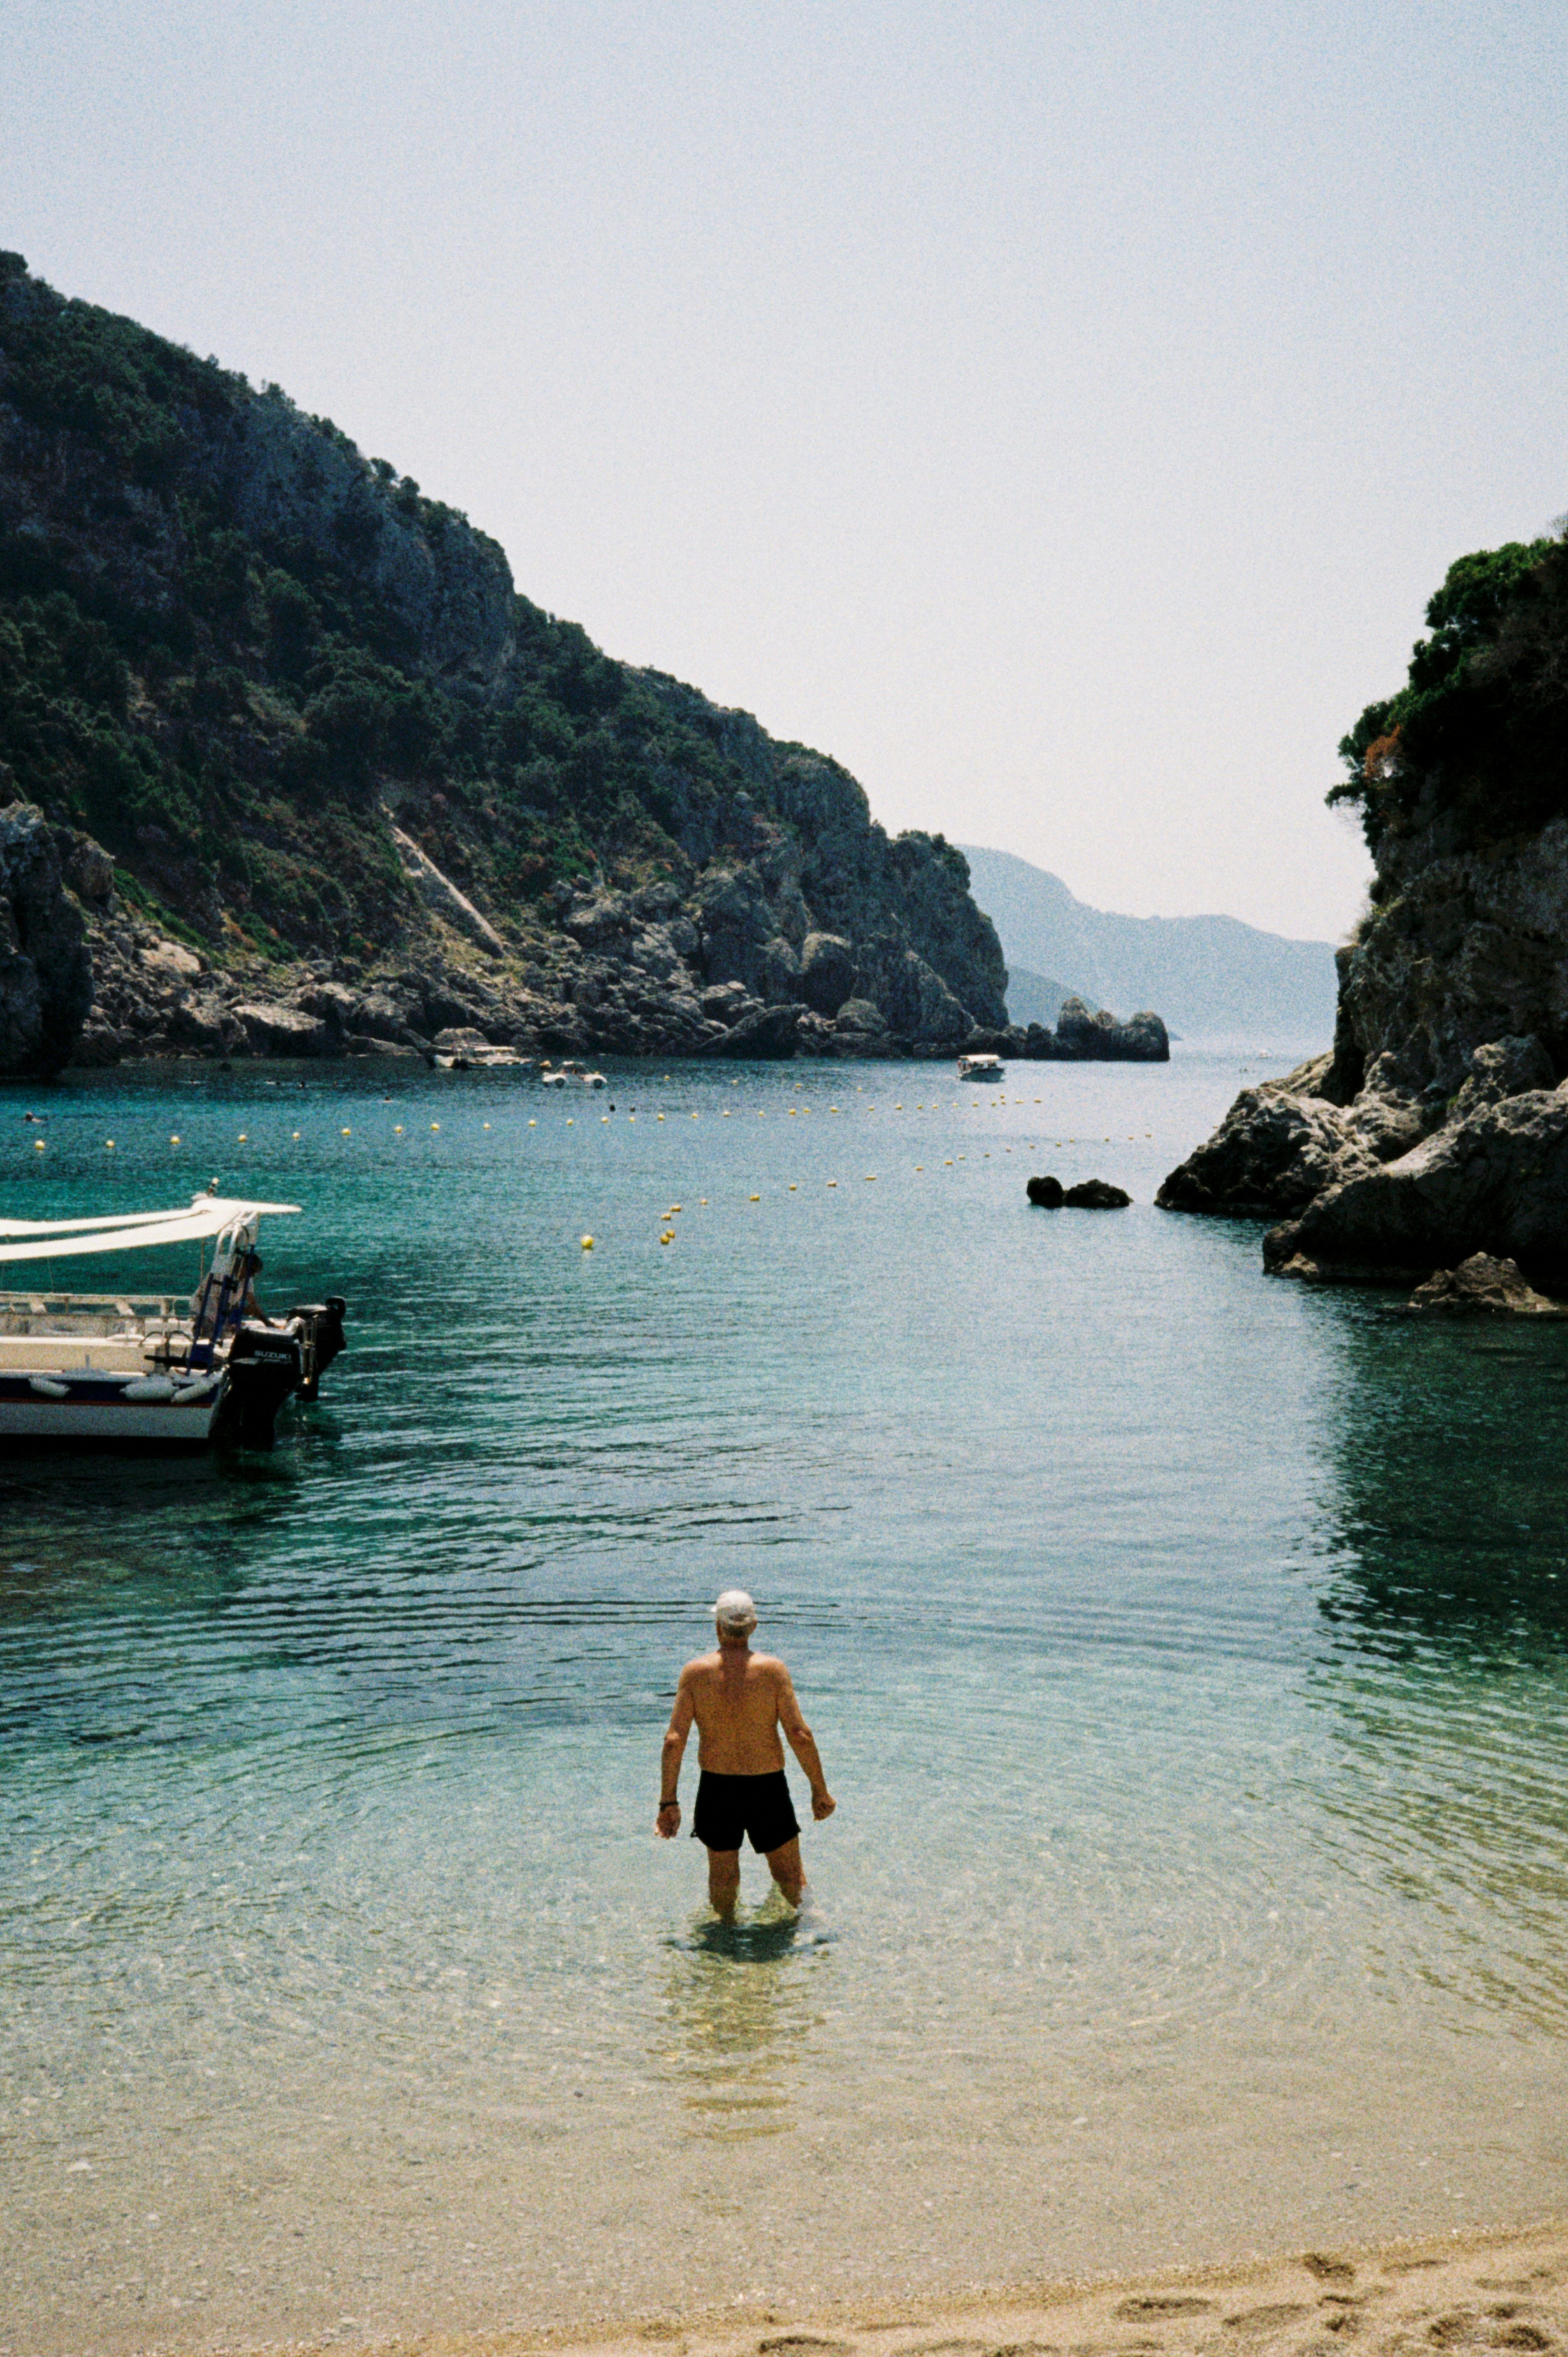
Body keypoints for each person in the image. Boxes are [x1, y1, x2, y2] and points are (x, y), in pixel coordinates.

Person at [656, 1589, 835, 1917]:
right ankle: (809, 1931)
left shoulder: (695, 1673)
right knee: (790, 1877)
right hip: (767, 1787)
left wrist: (668, 1802)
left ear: (717, 1627)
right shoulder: (773, 1671)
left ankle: (722, 1940)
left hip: (717, 1788)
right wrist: (819, 1790)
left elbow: (673, 1741)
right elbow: (800, 1735)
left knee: (722, 1881)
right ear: (754, 1626)